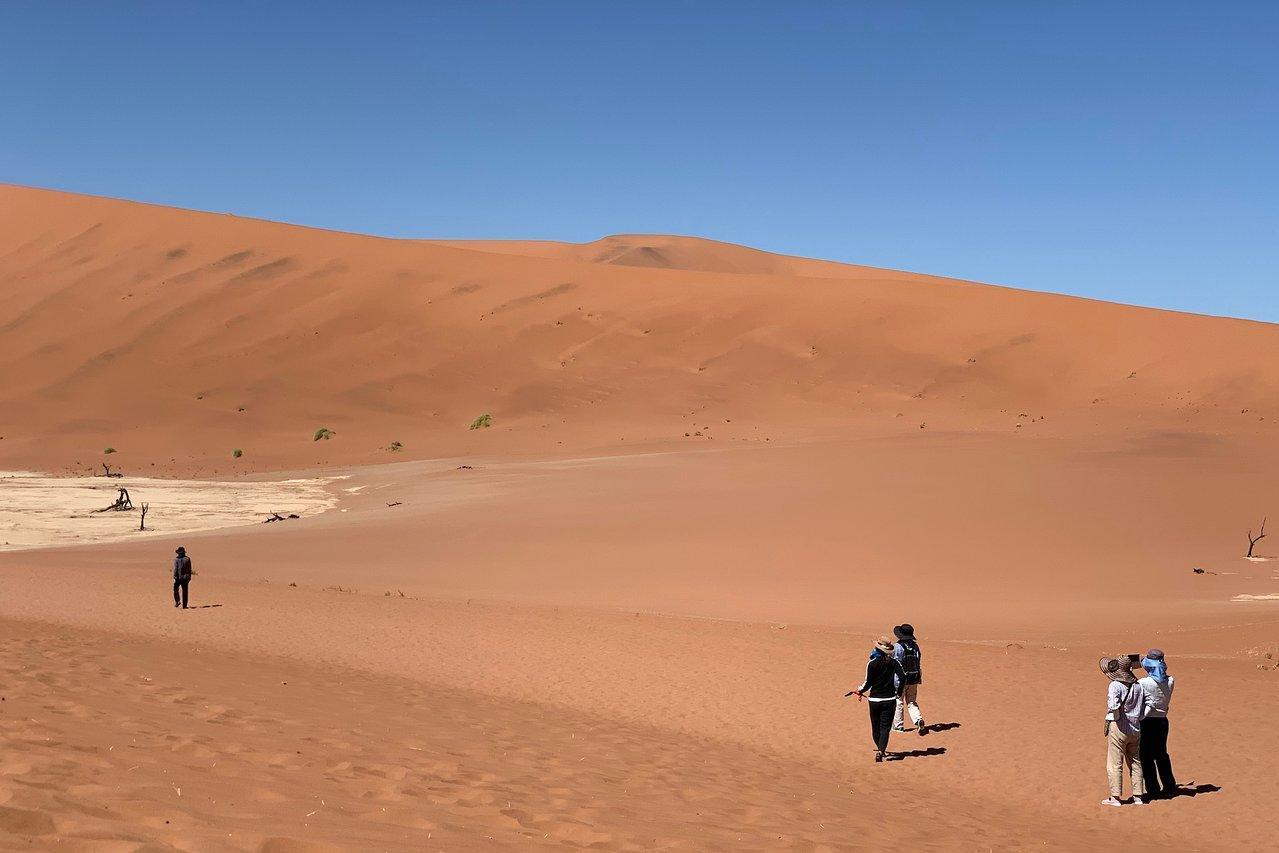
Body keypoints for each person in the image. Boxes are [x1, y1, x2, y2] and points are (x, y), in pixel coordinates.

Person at [850, 636, 907, 763]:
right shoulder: (894, 662)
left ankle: (880, 749)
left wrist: (860, 691)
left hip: (875, 700)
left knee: (875, 727)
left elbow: (867, 683)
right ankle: (881, 750)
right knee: (885, 728)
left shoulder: (872, 663)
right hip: (889, 699)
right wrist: (899, 692)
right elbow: (903, 677)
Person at [1100, 656, 1147, 806]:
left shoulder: (1115, 685)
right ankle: (1138, 795)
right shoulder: (1138, 686)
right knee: (1135, 761)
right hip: (1135, 728)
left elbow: (1113, 706)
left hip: (1119, 727)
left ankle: (1115, 797)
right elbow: (1142, 709)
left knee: (1115, 762)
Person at [1138, 649, 1178, 798]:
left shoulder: (1143, 683)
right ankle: (1169, 785)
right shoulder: (1171, 680)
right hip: (1162, 721)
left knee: (1145, 755)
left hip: (1147, 722)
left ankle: (1153, 789)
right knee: (1161, 754)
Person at [891, 623, 926, 735]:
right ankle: (918, 719)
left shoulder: (897, 647)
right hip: (913, 678)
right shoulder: (915, 646)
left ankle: (898, 726)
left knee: (898, 701)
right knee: (911, 702)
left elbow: (895, 663)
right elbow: (918, 660)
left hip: (901, 680)